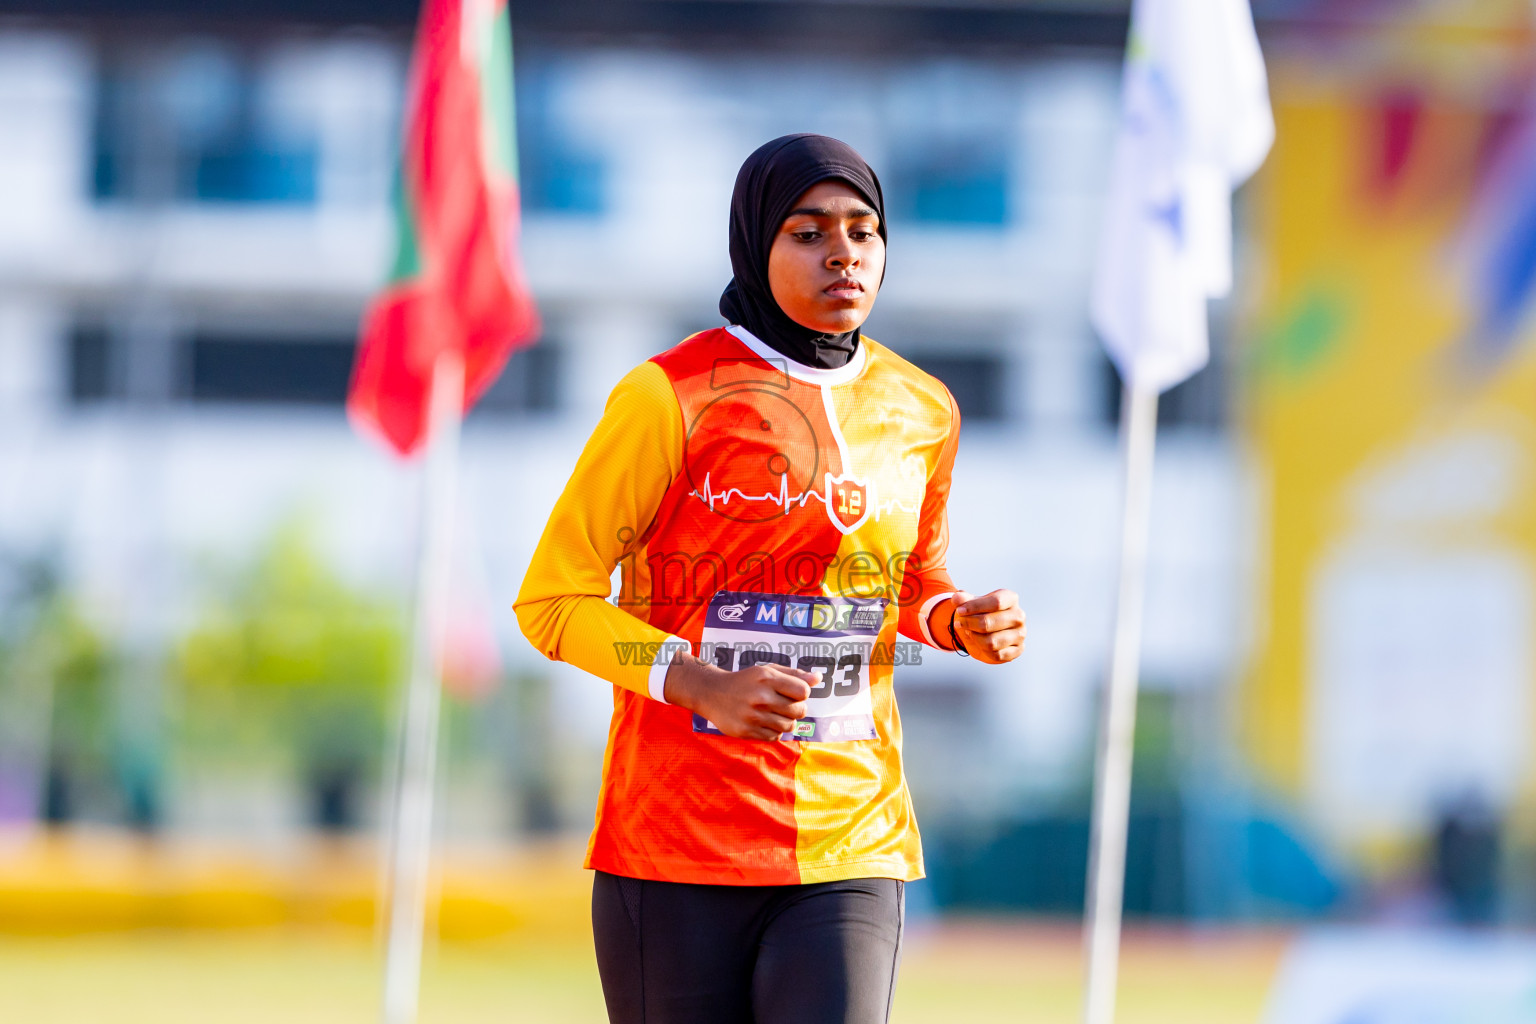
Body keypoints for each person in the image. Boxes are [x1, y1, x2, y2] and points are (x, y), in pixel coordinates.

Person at [515, 133, 1026, 1024]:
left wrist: (957, 621)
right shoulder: (666, 396)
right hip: (673, 846)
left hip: (848, 835)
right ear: (755, 242)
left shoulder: (922, 409)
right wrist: (698, 678)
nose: (844, 253)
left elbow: (910, 585)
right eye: (807, 231)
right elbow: (553, 602)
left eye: (865, 231)